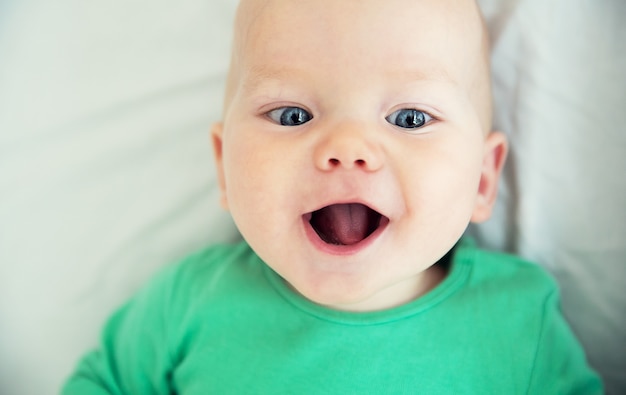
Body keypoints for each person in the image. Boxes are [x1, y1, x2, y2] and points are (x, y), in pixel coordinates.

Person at [62, 0, 603, 393]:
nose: (347, 149)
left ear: (482, 181)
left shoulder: (517, 321)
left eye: (410, 118)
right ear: (224, 167)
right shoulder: (190, 303)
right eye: (292, 115)